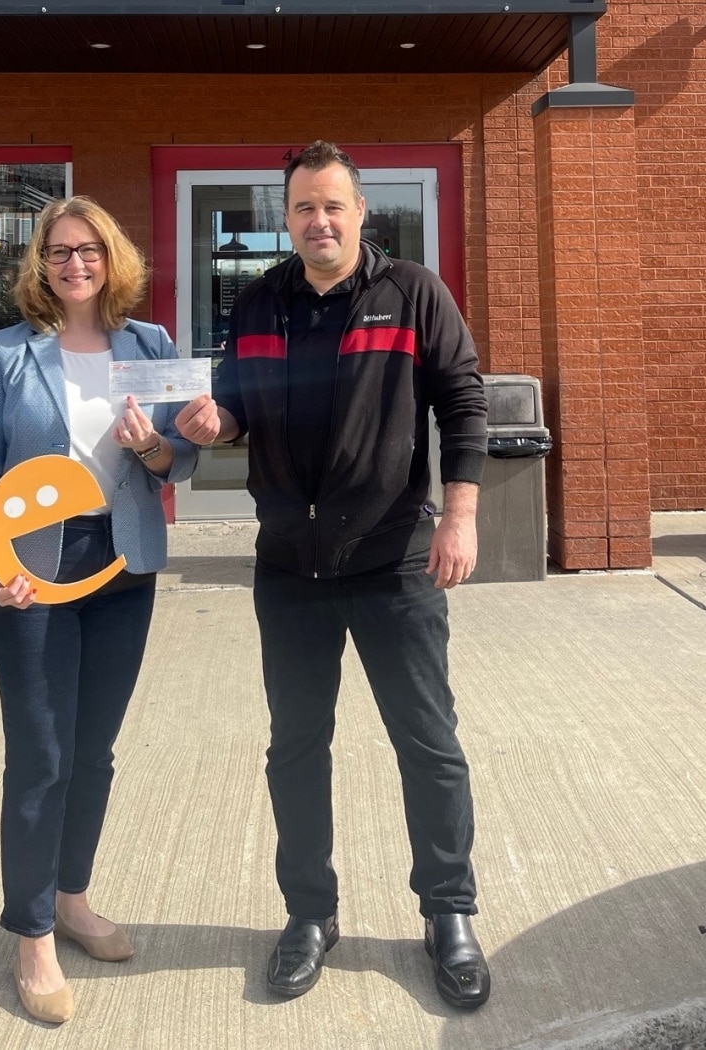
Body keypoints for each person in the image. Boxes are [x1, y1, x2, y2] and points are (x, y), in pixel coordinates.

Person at [176, 140, 492, 1010]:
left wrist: (459, 517)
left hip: (394, 562)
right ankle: (310, 914)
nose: (320, 221)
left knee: (428, 746)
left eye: (334, 206)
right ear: (287, 217)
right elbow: (237, 404)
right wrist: (213, 420)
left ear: (362, 214)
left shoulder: (412, 294)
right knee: (296, 750)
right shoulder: (260, 303)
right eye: (304, 207)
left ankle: (449, 911)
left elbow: (464, 401)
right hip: (289, 569)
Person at [0, 195, 206, 1027]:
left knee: (92, 752)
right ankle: (30, 936)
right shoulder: (5, 354)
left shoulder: (151, 347)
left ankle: (72, 900)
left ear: (112, 258)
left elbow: (179, 464)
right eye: (60, 251)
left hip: (122, 565)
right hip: (31, 571)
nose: (75, 264)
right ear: (41, 263)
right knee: (41, 754)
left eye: (89, 249)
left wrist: (153, 446)